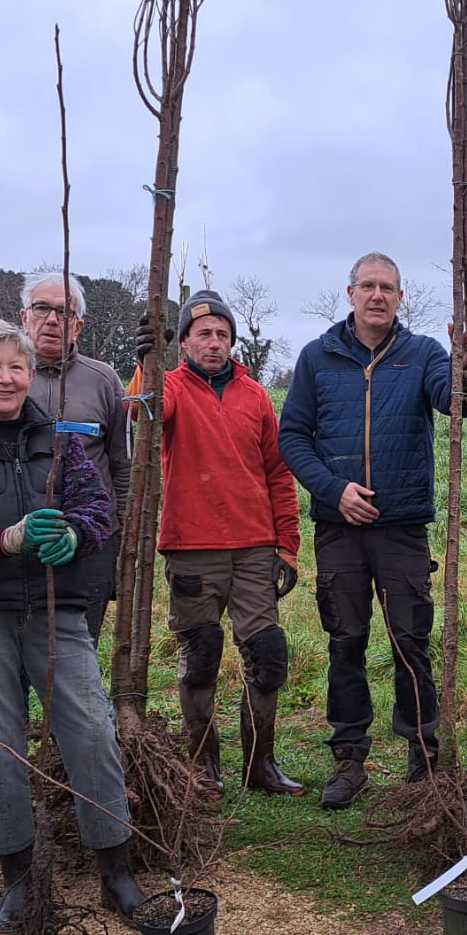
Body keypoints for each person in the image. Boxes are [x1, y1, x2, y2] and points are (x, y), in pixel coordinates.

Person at [0, 319, 145, 934]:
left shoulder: (60, 441)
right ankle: (18, 881)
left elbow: (97, 507)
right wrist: (6, 539)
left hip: (56, 609)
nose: (5, 378)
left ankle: (116, 872)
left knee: (91, 734)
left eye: (15, 367)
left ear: (29, 378)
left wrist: (75, 533)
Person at [277, 252, 467, 810]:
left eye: (387, 287)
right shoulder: (317, 359)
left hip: (402, 530)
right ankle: (350, 759)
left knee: (409, 641)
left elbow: (457, 404)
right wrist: (333, 490)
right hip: (339, 528)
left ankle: (423, 759)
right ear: (350, 293)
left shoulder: (423, 355)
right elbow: (292, 436)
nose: (376, 295)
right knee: (344, 641)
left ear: (400, 297)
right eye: (367, 286)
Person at [147, 289, 306, 798]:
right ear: (185, 343)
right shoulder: (170, 387)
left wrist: (287, 544)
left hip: (255, 548)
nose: (214, 343)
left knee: (267, 653)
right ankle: (203, 767)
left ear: (232, 341)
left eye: (222, 334)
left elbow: (278, 472)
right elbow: (142, 415)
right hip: (192, 549)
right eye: (203, 334)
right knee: (201, 654)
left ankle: (260, 765)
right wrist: (147, 362)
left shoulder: (255, 395)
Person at [0, 270, 132, 642]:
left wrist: (118, 530)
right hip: (10, 536)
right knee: (10, 645)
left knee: (79, 644)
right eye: (41, 309)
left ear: (78, 325)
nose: (52, 320)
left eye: (63, 313)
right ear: (24, 317)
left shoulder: (104, 380)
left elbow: (121, 463)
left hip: (88, 539)